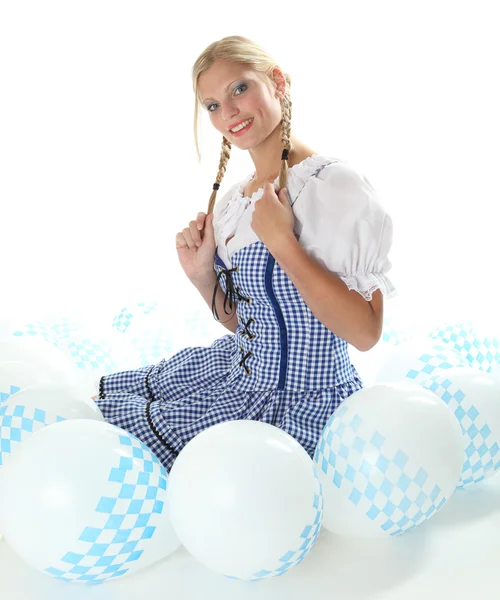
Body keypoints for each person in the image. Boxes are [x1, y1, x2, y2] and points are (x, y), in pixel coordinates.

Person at [94, 35, 398, 473]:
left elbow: (365, 333)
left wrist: (283, 243)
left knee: (114, 441)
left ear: (277, 82)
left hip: (302, 404)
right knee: (100, 405)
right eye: (213, 105)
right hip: (236, 372)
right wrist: (202, 276)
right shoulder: (237, 202)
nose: (229, 112)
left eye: (239, 89)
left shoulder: (332, 187)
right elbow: (249, 324)